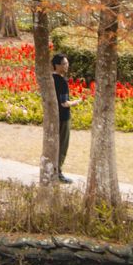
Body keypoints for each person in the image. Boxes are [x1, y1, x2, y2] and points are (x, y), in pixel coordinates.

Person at [51, 52, 74, 184]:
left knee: (55, 144)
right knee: (62, 145)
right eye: (64, 63)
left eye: (67, 63)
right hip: (63, 118)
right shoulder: (62, 82)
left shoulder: (51, 79)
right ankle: (58, 172)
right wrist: (76, 102)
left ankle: (53, 170)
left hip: (54, 117)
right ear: (57, 65)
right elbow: (64, 103)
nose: (67, 65)